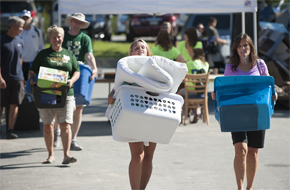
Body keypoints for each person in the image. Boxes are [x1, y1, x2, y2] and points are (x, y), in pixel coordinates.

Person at [211, 34, 278, 190]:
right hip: (236, 113)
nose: (242, 49)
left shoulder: (260, 65)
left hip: (257, 112)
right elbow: (224, 89)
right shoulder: (230, 68)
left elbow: (268, 86)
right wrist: (216, 94)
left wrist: (274, 93)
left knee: (253, 152)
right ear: (236, 49)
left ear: (251, 47)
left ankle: (250, 187)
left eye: (245, 45)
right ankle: (240, 188)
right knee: (240, 150)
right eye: (239, 46)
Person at [108, 39, 156, 190]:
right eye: (136, 48)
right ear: (131, 53)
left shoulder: (156, 68)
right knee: (138, 157)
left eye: (143, 47)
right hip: (133, 117)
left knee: (148, 158)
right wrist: (111, 96)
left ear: (148, 51)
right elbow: (117, 90)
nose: (140, 49)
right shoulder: (126, 68)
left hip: (154, 116)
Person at [28, 25, 80, 164]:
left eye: (59, 36)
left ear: (62, 38)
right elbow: (32, 70)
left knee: (65, 124)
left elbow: (77, 71)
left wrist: (71, 80)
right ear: (50, 38)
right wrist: (32, 79)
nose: (57, 39)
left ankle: (66, 155)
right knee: (48, 125)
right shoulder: (43, 54)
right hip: (46, 93)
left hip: (66, 93)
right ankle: (50, 155)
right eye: (54, 36)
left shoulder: (69, 54)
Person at [54, 13, 98, 150]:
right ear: (71, 22)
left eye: (80, 23)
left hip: (78, 73)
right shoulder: (62, 35)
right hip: (62, 71)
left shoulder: (85, 38)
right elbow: (54, 50)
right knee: (59, 104)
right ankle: (57, 132)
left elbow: (89, 55)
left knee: (79, 106)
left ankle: (73, 139)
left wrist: (94, 68)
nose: (77, 25)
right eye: (75, 21)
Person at [0, 16, 25, 139]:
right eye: (20, 26)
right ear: (12, 26)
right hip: (3, 79)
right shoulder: (1, 40)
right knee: (1, 105)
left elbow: (20, 59)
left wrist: (22, 76)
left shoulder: (20, 41)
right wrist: (0, 78)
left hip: (17, 79)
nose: (22, 29)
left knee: (14, 104)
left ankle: (10, 130)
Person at [177, 48, 209, 123]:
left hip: (191, 90)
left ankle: (181, 116)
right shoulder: (206, 64)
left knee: (178, 94)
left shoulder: (189, 63)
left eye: (192, 53)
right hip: (202, 91)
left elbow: (183, 75)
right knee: (194, 95)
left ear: (195, 54)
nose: (190, 54)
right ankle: (197, 112)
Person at [19, 9, 44, 81]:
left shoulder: (37, 32)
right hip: (21, 64)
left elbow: (41, 47)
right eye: (23, 18)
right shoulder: (18, 32)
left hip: (34, 63)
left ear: (31, 19)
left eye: (27, 18)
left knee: (33, 84)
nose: (25, 20)